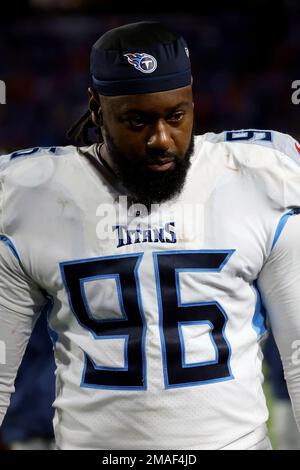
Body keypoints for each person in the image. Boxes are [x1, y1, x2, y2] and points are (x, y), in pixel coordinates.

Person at [0, 21, 300, 451]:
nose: (161, 139)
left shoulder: (257, 178)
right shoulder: (30, 195)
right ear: (96, 108)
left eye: (176, 116)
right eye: (136, 121)